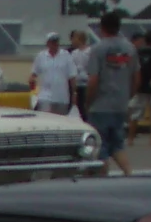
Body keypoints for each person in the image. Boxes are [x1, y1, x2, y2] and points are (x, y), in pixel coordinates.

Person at [80, 12, 138, 175]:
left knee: (100, 147)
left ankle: (102, 179)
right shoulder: (130, 48)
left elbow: (93, 80)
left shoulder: (98, 49)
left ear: (102, 28)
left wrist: (87, 102)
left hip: (100, 105)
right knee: (117, 144)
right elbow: (136, 77)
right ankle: (129, 173)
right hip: (120, 104)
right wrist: (127, 97)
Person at [29, 32, 76, 115]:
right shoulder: (41, 56)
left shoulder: (66, 55)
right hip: (45, 97)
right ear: (47, 43)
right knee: (46, 118)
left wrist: (74, 93)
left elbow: (72, 76)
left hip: (62, 97)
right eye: (52, 41)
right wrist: (32, 80)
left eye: (56, 41)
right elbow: (34, 73)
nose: (55, 44)